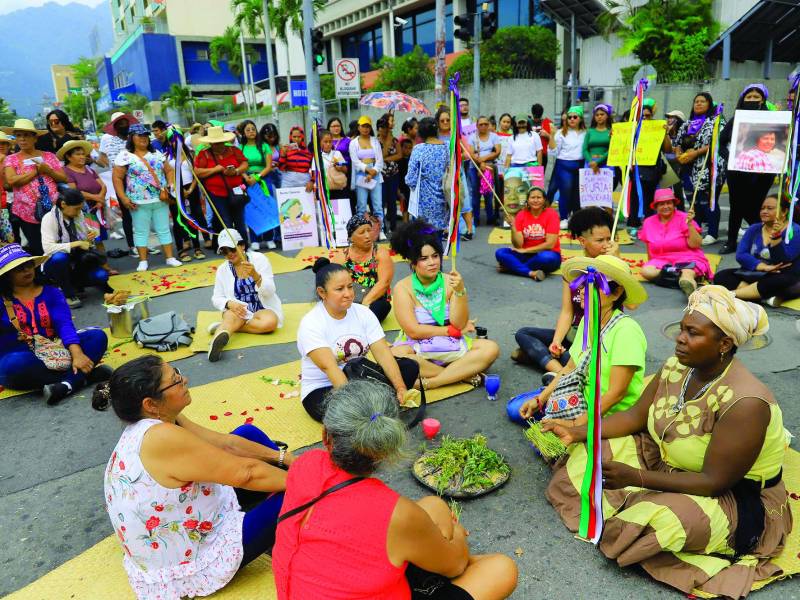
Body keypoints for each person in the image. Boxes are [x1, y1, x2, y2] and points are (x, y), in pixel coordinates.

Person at [543, 286, 791, 599]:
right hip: (668, 463)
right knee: (591, 450)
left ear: (724, 344)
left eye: (692, 333)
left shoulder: (746, 402)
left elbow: (714, 482)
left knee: (657, 520)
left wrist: (636, 478)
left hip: (732, 497)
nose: (680, 338)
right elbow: (635, 416)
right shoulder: (677, 367)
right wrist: (579, 432)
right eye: (682, 329)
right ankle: (629, 505)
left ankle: (633, 510)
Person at [272, 380, 518, 600]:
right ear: (384, 449)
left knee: (433, 505)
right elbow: (457, 565)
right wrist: (455, 532)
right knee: (501, 568)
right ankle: (439, 550)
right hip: (415, 555)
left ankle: (435, 550)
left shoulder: (305, 463)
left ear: (326, 436)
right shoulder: (396, 514)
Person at [94, 356, 291, 600]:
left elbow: (225, 444)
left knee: (247, 434)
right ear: (151, 403)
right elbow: (246, 473)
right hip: (193, 557)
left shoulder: (160, 420)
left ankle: (297, 489)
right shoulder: (161, 437)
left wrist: (285, 458)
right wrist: (310, 479)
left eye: (177, 372)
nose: (184, 379)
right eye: (175, 380)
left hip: (191, 512)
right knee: (296, 497)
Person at [516, 254, 647, 425]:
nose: (583, 290)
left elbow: (616, 394)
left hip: (609, 415)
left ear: (617, 293)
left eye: (593, 285)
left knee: (560, 443)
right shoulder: (588, 320)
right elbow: (570, 367)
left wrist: (574, 425)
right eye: (583, 283)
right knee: (516, 409)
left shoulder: (626, 331)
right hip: (580, 398)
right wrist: (540, 400)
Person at [297, 257, 417, 422]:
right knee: (338, 410)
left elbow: (382, 353)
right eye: (339, 289)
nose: (348, 294)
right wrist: (358, 404)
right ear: (322, 293)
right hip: (325, 388)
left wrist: (400, 387)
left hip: (359, 376)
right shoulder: (311, 323)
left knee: (409, 367)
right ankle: (374, 407)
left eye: (350, 287)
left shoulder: (363, 313)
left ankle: (375, 406)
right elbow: (330, 368)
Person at [511, 207, 620, 379]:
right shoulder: (572, 269)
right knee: (523, 333)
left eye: (609, 239)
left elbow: (632, 304)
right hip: (573, 334)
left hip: (600, 341)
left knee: (586, 360)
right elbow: (567, 311)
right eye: (600, 240)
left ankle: (545, 362)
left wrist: (616, 262)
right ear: (583, 241)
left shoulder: (614, 266)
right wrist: (557, 341)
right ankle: (560, 373)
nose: (606, 244)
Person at [390, 220, 500, 390]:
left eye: (435, 256)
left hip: (451, 344)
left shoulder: (451, 281)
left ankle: (433, 382)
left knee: (491, 348)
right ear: (412, 262)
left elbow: (459, 324)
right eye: (424, 258)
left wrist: (460, 291)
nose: (432, 262)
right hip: (417, 347)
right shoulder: (402, 288)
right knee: (396, 356)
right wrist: (449, 330)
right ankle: (461, 374)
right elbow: (414, 331)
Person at [0, 243, 110, 404]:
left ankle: (66, 385)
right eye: (19, 268)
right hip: (19, 358)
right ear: (7, 275)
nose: (27, 270)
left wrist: (77, 354)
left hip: (54, 347)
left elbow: (64, 324)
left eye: (29, 265)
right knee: (15, 365)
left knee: (97, 336)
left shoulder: (51, 292)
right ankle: (84, 377)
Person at [207, 229, 283, 362]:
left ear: (242, 246)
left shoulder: (260, 259)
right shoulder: (222, 269)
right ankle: (217, 342)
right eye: (224, 251)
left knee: (270, 323)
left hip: (261, 308)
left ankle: (226, 327)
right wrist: (229, 303)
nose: (229, 254)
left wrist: (256, 276)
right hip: (238, 309)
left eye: (232, 249)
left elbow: (270, 291)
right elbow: (216, 298)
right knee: (232, 315)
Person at [113, 124, 181, 272]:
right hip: (138, 201)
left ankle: (169, 257)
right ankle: (143, 260)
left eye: (146, 135)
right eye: (139, 135)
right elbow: (117, 178)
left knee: (163, 228)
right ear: (132, 137)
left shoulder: (156, 153)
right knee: (141, 231)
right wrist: (123, 198)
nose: (144, 138)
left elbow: (169, 170)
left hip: (160, 199)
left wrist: (170, 184)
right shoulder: (124, 155)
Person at [719, 84, 778, 254]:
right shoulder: (735, 119)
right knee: (736, 206)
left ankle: (761, 240)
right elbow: (721, 143)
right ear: (743, 99)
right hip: (737, 171)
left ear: (763, 101)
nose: (752, 100)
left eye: (756, 98)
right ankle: (731, 242)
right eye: (749, 97)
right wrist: (731, 158)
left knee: (756, 205)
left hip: (762, 173)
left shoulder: (772, 120)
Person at [714, 195, 800, 304]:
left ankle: (730, 296)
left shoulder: (795, 231)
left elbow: (783, 260)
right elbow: (741, 255)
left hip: (782, 275)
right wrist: (763, 267)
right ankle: (759, 295)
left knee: (777, 282)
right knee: (722, 276)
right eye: (762, 208)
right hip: (757, 272)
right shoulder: (754, 228)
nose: (764, 211)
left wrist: (776, 238)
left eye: (769, 208)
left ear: (784, 212)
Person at [3, 118, 68, 256]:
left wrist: (48, 170)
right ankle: (42, 275)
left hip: (53, 208)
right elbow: (12, 180)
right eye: (19, 135)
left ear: (35, 138)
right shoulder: (11, 159)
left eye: (26, 135)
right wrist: (36, 171)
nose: (22, 139)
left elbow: (63, 178)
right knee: (38, 247)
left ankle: (61, 273)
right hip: (26, 212)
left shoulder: (48, 156)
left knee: (58, 243)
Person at [41, 188, 112, 307]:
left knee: (102, 276)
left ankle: (77, 286)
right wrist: (77, 244)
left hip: (77, 261)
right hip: (55, 265)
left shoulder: (78, 215)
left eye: (80, 208)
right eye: (76, 208)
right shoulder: (49, 218)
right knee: (59, 257)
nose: (79, 212)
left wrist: (91, 235)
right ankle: (68, 294)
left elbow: (85, 238)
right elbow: (48, 247)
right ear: (63, 204)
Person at [673, 92, 727, 245]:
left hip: (707, 166)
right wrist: (679, 155)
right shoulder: (687, 124)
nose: (699, 104)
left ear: (709, 104)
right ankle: (695, 230)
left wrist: (695, 153)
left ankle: (712, 233)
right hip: (687, 168)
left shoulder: (716, 122)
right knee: (692, 200)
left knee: (707, 199)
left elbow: (718, 143)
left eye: (703, 101)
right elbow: (677, 143)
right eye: (696, 101)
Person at [639, 188, 712, 297]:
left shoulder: (685, 218)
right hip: (662, 260)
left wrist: (690, 224)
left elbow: (696, 244)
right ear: (656, 207)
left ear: (674, 204)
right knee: (646, 271)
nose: (665, 207)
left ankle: (688, 288)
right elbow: (649, 246)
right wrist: (651, 263)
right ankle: (678, 278)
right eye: (661, 204)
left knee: (687, 273)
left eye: (669, 203)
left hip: (688, 257)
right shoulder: (648, 222)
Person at [194, 125, 250, 245]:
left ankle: (244, 245)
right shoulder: (204, 154)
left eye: (220, 142)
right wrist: (215, 169)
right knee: (226, 221)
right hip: (216, 193)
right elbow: (197, 172)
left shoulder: (234, 150)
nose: (218, 145)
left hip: (236, 190)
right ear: (210, 143)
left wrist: (236, 171)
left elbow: (245, 164)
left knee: (239, 220)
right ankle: (230, 247)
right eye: (215, 143)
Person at [332, 215, 394, 322]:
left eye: (369, 230)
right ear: (351, 238)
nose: (367, 236)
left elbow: (384, 283)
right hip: (350, 300)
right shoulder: (342, 256)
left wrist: (364, 304)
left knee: (380, 308)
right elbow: (335, 284)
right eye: (361, 232)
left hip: (374, 300)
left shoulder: (380, 253)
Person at [59, 139, 111, 261]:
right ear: (68, 156)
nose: (82, 157)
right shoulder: (66, 171)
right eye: (78, 154)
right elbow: (75, 192)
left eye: (83, 154)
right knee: (87, 239)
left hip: (97, 209)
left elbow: (103, 186)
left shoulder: (89, 169)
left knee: (98, 238)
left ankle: (104, 264)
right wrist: (96, 198)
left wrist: (100, 200)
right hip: (82, 211)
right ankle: (97, 266)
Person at [495, 186, 561, 280]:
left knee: (546, 258)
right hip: (526, 255)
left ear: (544, 200)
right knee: (500, 252)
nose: (535, 200)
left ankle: (512, 268)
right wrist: (513, 227)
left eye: (539, 197)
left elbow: (550, 244)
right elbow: (518, 245)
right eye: (532, 197)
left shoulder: (551, 214)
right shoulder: (521, 214)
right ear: (528, 200)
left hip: (547, 254)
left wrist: (526, 250)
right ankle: (530, 273)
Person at [626, 101, 668, 237]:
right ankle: (633, 224)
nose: (645, 118)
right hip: (636, 168)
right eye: (642, 116)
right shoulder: (632, 129)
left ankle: (649, 225)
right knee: (635, 197)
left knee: (650, 198)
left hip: (652, 169)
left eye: (648, 116)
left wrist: (665, 133)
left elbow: (668, 149)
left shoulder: (658, 129)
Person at [98, 112, 138, 254]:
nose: (123, 126)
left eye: (125, 123)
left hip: (137, 179)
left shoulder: (134, 136)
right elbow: (102, 158)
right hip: (119, 180)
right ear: (114, 125)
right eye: (119, 123)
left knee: (141, 213)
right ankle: (132, 245)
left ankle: (142, 243)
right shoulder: (106, 138)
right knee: (127, 213)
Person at [405, 116, 450, 231]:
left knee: (422, 240)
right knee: (437, 240)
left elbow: (410, 179)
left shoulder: (418, 149)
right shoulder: (447, 148)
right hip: (443, 200)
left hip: (422, 203)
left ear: (421, 133)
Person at [239, 119, 277, 251]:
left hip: (263, 179)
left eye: (253, 129)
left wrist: (258, 177)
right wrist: (246, 177)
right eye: (248, 130)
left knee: (267, 208)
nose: (251, 132)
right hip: (247, 180)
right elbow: (239, 166)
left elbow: (268, 166)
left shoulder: (264, 146)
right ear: (243, 133)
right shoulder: (240, 147)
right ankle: (254, 239)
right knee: (252, 209)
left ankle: (269, 238)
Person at [548, 105, 586, 227]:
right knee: (565, 192)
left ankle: (576, 217)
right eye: (569, 117)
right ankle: (564, 218)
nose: (572, 119)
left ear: (580, 118)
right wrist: (552, 136)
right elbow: (553, 152)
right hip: (564, 164)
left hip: (580, 165)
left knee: (577, 193)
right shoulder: (560, 133)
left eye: (575, 117)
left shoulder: (586, 133)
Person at [349, 116, 385, 234]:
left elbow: (380, 160)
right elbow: (355, 161)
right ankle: (362, 230)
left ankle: (380, 230)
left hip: (375, 172)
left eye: (368, 126)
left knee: (378, 206)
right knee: (361, 206)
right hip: (361, 174)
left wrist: (373, 171)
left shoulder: (375, 141)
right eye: (363, 126)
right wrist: (367, 170)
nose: (365, 129)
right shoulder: (353, 143)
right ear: (358, 127)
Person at [468, 116, 501, 226]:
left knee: (489, 192)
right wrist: (480, 162)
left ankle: (490, 217)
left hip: (489, 168)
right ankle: (476, 218)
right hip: (475, 168)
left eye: (486, 124)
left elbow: (497, 152)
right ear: (477, 126)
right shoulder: (473, 137)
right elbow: (471, 153)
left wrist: (483, 160)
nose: (483, 126)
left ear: (489, 125)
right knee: (476, 193)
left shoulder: (494, 137)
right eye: (481, 124)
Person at [377, 113, 402, 233]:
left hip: (393, 174)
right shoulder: (376, 142)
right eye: (381, 127)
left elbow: (399, 155)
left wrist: (387, 159)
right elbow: (381, 155)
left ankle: (393, 226)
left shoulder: (395, 140)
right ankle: (382, 227)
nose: (383, 130)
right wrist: (387, 141)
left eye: (385, 127)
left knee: (392, 201)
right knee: (381, 201)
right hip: (380, 175)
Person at [582, 104, 613, 181]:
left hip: (606, 163)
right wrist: (591, 162)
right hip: (590, 164)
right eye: (597, 115)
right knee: (589, 192)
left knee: (605, 192)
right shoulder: (589, 131)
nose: (599, 116)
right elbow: (584, 149)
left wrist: (598, 162)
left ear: (607, 116)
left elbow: (612, 149)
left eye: (602, 114)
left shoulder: (612, 132)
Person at [530, 103, 553, 168]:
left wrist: (547, 135)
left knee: (539, 176)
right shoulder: (528, 123)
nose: (536, 118)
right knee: (529, 177)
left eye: (538, 116)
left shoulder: (548, 123)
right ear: (532, 114)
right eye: (535, 116)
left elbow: (555, 141)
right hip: (530, 154)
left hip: (543, 154)